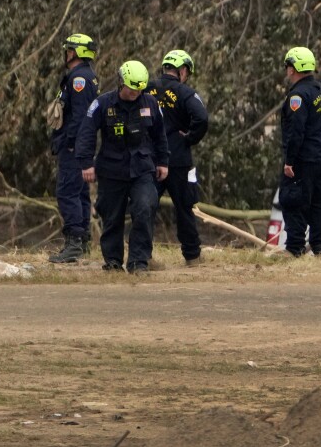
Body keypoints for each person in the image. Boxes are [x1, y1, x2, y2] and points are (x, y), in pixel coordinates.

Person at [74, 61, 169, 275]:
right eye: (132, 88)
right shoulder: (102, 104)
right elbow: (87, 133)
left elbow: (160, 135)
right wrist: (86, 163)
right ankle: (113, 262)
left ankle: (139, 262)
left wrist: (163, 162)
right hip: (111, 169)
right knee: (111, 215)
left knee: (145, 208)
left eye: (139, 88)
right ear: (121, 83)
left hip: (142, 169)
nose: (135, 92)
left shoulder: (151, 103)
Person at [147, 50, 210, 266]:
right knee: (184, 208)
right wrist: (190, 137)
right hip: (179, 159)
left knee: (146, 207)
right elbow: (201, 117)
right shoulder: (185, 92)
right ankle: (192, 256)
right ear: (183, 70)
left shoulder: (147, 88)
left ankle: (143, 257)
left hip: (151, 159)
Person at [278, 46, 321, 256]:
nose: (287, 70)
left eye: (288, 66)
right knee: (320, 204)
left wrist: (289, 161)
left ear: (293, 68)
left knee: (294, 201)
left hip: (302, 160)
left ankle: (294, 248)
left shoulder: (298, 96)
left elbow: (296, 131)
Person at [48, 33, 99, 264]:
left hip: (74, 147)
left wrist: (70, 144)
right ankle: (84, 241)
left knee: (67, 193)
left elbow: (80, 117)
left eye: (69, 49)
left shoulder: (80, 79)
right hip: (79, 146)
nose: (66, 53)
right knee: (79, 193)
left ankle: (74, 244)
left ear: (75, 52)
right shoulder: (83, 76)